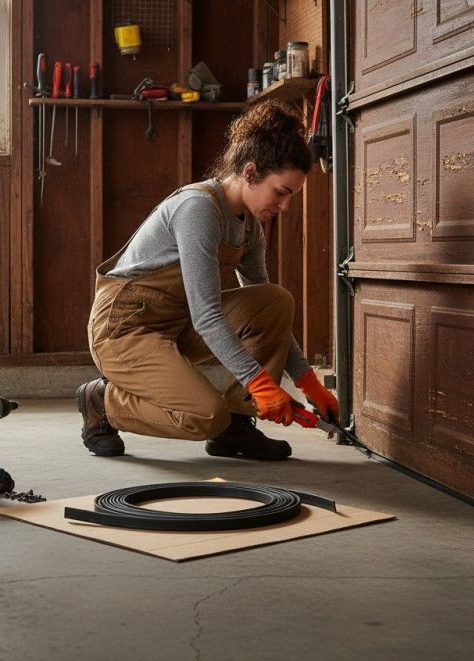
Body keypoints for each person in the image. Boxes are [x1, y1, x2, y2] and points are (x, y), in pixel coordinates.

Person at [76, 100, 339, 460]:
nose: (285, 206)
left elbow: (269, 318)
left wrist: (307, 380)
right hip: (124, 329)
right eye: (281, 193)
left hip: (176, 324)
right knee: (205, 416)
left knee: (275, 300)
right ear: (250, 172)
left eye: (290, 196)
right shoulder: (198, 209)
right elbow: (207, 315)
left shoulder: (249, 229)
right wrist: (259, 382)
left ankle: (238, 425)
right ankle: (102, 401)